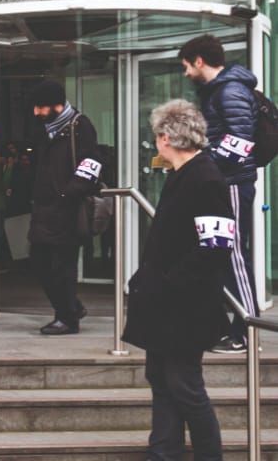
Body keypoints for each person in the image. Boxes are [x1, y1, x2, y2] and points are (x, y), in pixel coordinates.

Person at [122, 99, 231, 460]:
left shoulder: (205, 178)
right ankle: (163, 451)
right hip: (168, 304)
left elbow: (216, 248)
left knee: (185, 386)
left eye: (156, 137)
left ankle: (206, 455)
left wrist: (168, 282)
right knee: (162, 379)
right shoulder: (186, 175)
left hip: (185, 306)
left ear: (166, 138)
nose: (155, 144)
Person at [179, 34, 259, 354]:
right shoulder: (218, 92)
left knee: (235, 256)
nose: (186, 74)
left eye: (186, 66)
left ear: (200, 61)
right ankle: (228, 329)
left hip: (233, 185)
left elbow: (241, 140)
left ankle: (248, 332)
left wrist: (203, 166)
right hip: (222, 184)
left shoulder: (230, 90)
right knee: (219, 256)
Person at [28, 80, 99, 335]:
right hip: (44, 209)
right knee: (39, 263)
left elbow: (91, 165)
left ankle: (67, 318)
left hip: (68, 209)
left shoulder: (81, 126)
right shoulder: (44, 129)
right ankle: (71, 307)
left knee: (63, 267)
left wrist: (67, 193)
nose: (36, 112)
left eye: (40, 106)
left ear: (56, 104)